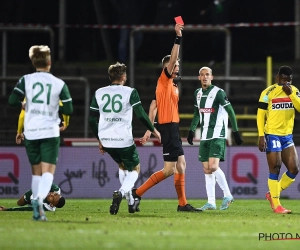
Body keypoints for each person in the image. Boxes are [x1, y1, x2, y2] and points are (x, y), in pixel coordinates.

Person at [134, 24, 201, 212]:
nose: (177, 67)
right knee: (169, 169)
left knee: (182, 165)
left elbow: (153, 106)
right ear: (167, 67)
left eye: (178, 66)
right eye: (175, 65)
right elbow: (172, 58)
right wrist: (178, 38)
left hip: (173, 127)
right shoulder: (164, 80)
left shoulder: (171, 86)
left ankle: (182, 204)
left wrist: (149, 129)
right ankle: (137, 193)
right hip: (168, 127)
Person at [8, 45, 73, 221]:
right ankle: (38, 204)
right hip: (50, 131)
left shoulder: (25, 80)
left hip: (31, 131)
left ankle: (36, 202)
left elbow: (12, 100)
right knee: (47, 173)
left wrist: (23, 106)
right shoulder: (58, 83)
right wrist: (60, 115)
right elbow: (69, 108)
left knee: (36, 171)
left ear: (34, 62)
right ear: (50, 62)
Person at [89, 62, 160, 215]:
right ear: (123, 77)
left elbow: (91, 120)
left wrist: (99, 139)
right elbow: (140, 114)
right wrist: (153, 130)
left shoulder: (99, 92)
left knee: (122, 166)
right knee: (135, 168)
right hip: (123, 139)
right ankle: (121, 192)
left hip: (107, 140)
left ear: (110, 77)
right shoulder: (130, 92)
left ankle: (131, 202)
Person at [187, 66, 243, 210]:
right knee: (206, 169)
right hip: (205, 135)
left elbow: (230, 111)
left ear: (212, 77)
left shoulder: (219, 93)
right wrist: (191, 130)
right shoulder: (197, 93)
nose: (205, 77)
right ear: (199, 78)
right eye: (202, 75)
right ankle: (211, 201)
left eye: (207, 75)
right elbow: (196, 113)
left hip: (218, 134)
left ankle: (227, 194)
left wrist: (236, 131)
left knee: (213, 166)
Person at [257, 65, 300, 214]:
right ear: (277, 78)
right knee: (275, 167)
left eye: (289, 80)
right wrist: (261, 135)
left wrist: (292, 95)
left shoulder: (294, 91)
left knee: (294, 169)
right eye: (283, 80)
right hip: (272, 134)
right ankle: (277, 205)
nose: (286, 83)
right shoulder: (268, 92)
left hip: (287, 136)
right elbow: (260, 115)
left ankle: (272, 194)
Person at [0, 183, 65, 212]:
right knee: (19, 203)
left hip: (32, 198)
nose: (52, 194)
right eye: (55, 194)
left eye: (53, 198)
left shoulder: (45, 207)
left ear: (51, 204)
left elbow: (26, 209)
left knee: (20, 205)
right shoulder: (56, 189)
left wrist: (7, 209)